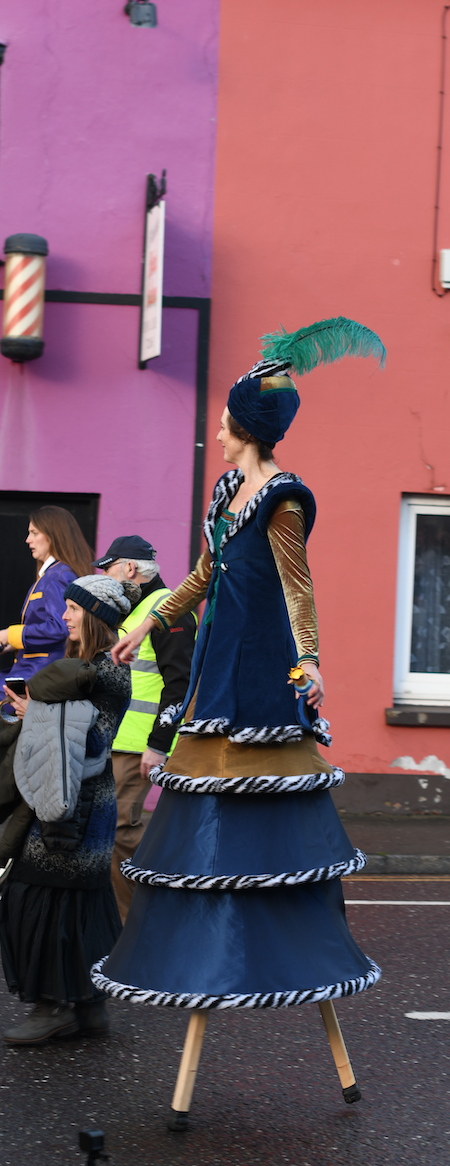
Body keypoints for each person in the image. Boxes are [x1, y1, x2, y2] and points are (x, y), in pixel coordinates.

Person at [92, 319, 385, 1039]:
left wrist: (309, 657)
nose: (218, 435)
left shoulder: (283, 498)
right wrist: (143, 626)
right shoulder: (227, 489)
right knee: (197, 804)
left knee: (266, 814)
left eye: (225, 424)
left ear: (247, 427)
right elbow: (200, 577)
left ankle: (273, 947)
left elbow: (298, 586)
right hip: (215, 670)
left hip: (260, 671)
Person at [0, 574, 133, 1046]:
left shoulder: (105, 671)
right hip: (86, 799)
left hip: (73, 802)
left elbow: (89, 741)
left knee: (36, 895)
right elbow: (65, 727)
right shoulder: (92, 666)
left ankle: (53, 1007)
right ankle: (89, 1006)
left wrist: (34, 708)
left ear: (95, 616)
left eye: (74, 609)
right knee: (79, 900)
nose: (65, 615)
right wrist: (33, 710)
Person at [91, 535, 196, 922]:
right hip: (112, 739)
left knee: (120, 832)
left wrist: (159, 744)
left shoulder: (170, 610)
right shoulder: (132, 610)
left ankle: (133, 927)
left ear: (130, 568)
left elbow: (180, 685)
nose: (106, 576)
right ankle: (112, 924)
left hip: (136, 747)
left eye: (110, 569)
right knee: (105, 832)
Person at [0, 506, 93, 682]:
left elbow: (61, 628)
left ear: (53, 535)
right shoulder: (52, 575)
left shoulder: (59, 575)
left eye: (34, 533)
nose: (28, 540)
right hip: (35, 671)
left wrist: (10, 635)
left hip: (40, 674)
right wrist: (12, 643)